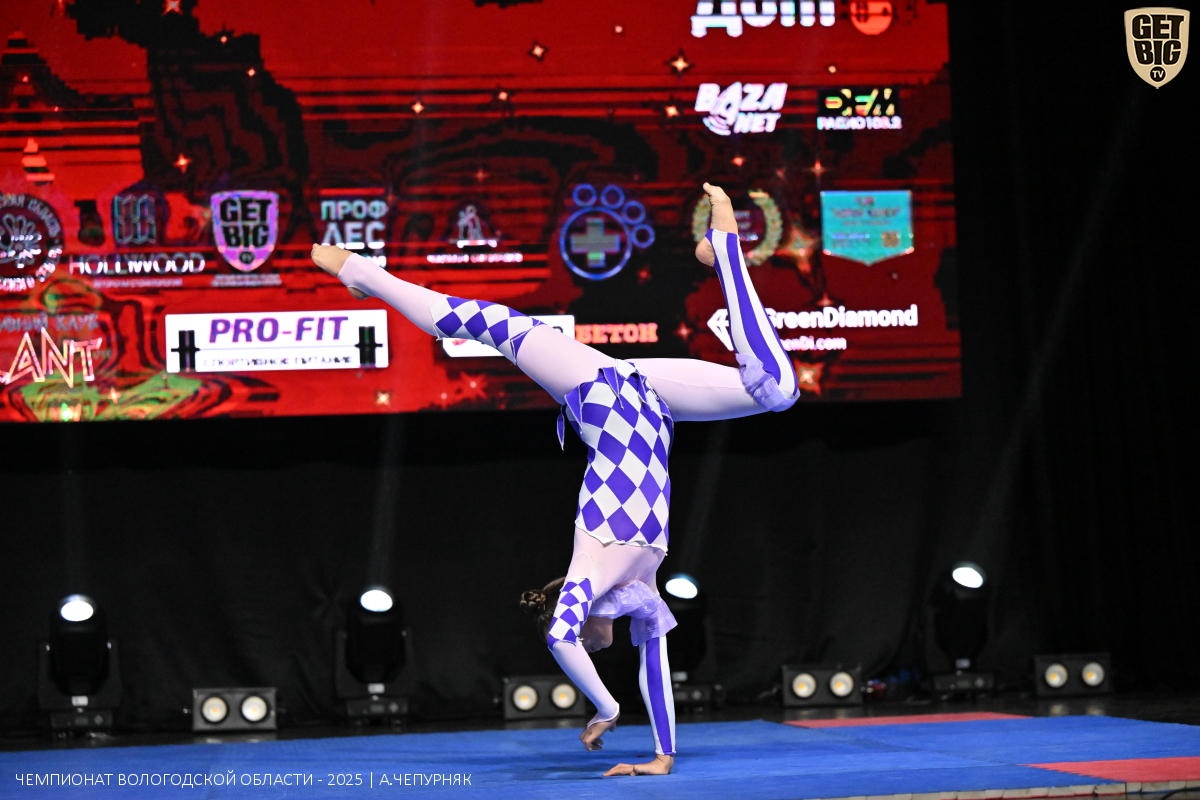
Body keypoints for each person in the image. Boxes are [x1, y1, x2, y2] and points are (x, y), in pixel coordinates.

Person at [310, 182, 797, 776]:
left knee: (492, 325)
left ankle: (364, 273)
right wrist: (662, 756)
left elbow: (560, 639)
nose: (594, 645)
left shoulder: (588, 572)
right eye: (595, 646)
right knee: (777, 390)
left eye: (590, 642)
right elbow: (656, 660)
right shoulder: (640, 584)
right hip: (653, 395)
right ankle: (721, 252)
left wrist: (606, 708)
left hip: (592, 385)